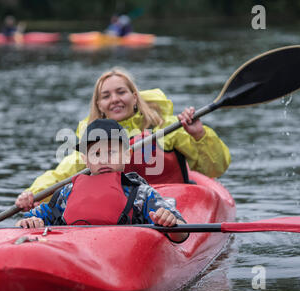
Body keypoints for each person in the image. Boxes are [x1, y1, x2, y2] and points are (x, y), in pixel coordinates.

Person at [20, 67, 231, 207]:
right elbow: (64, 172)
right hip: (121, 211)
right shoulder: (95, 139)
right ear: (99, 106)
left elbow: (215, 168)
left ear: (134, 97)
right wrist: (33, 194)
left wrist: (199, 135)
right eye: (106, 96)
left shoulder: (167, 127)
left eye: (121, 92)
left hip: (173, 206)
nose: (115, 100)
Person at [16, 119, 189, 243]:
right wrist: (29, 223)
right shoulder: (67, 192)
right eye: (96, 154)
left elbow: (182, 232)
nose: (103, 159)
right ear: (86, 159)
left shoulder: (141, 193)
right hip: (74, 252)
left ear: (127, 156)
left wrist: (170, 222)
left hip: (119, 256)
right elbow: (22, 223)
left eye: (111, 152)